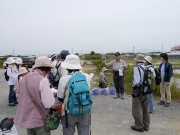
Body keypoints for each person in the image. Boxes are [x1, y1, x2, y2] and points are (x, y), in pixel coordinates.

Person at [14, 56, 55, 135]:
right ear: (47, 69)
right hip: (39, 119)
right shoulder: (43, 80)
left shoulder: (24, 78)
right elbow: (48, 103)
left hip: (27, 117)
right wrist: (53, 95)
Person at [57, 54, 92, 135]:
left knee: (69, 131)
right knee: (84, 130)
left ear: (66, 67)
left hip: (69, 111)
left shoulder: (63, 79)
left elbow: (60, 98)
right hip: (85, 110)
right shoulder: (87, 77)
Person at [131, 54, 150, 132]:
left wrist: (133, 85)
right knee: (145, 109)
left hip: (138, 90)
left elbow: (137, 81)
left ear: (137, 61)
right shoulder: (146, 67)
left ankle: (139, 126)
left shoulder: (137, 68)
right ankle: (146, 126)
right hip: (146, 90)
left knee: (137, 108)